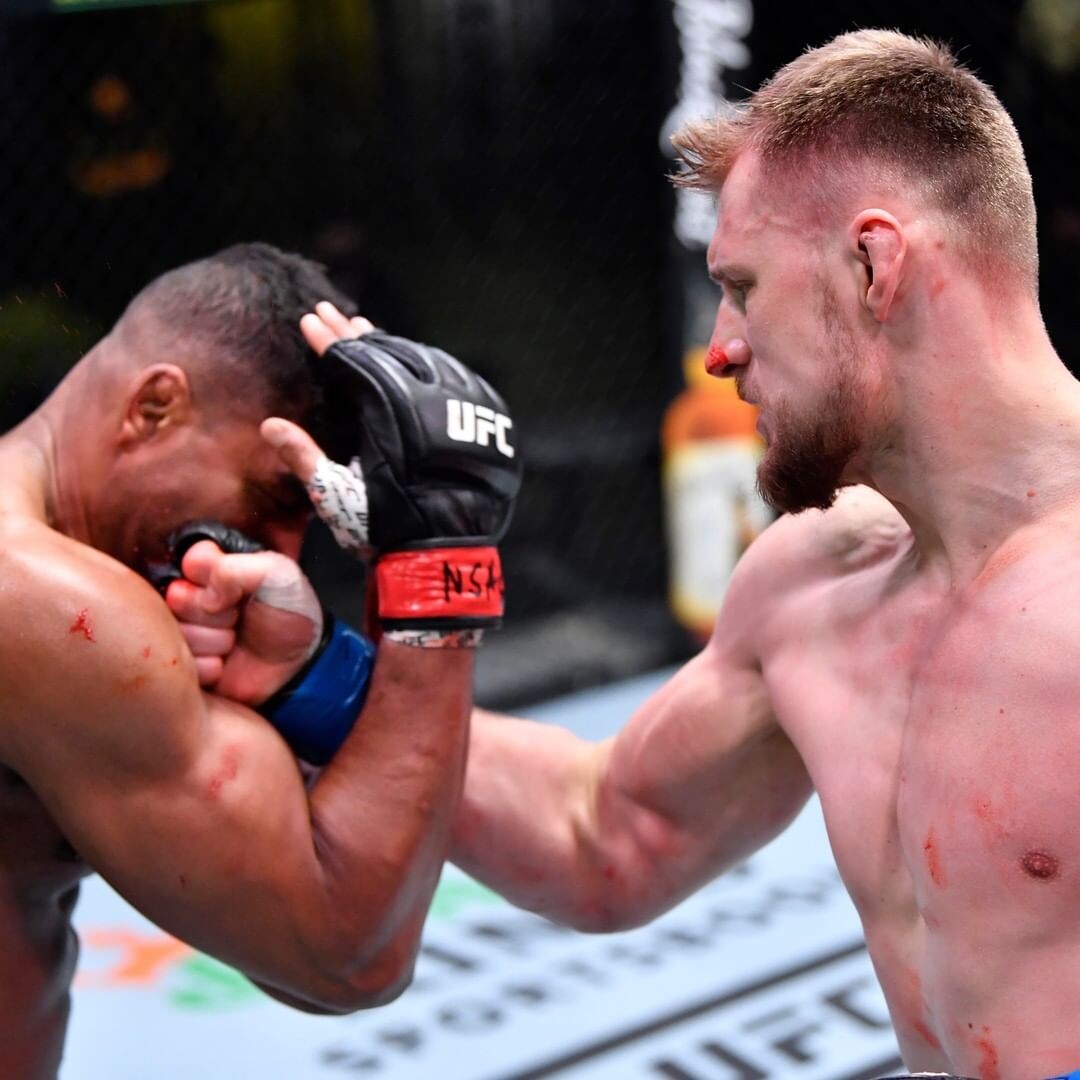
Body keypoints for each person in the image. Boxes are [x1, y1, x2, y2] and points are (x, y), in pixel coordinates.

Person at [182, 30, 1080, 1080]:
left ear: (874, 265)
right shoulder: (817, 581)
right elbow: (605, 832)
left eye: (744, 286)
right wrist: (316, 676)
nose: (720, 348)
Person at [0, 241, 519, 1079]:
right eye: (276, 497)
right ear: (155, 407)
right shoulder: (44, 604)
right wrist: (437, 573)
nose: (283, 547)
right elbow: (346, 955)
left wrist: (303, 674)